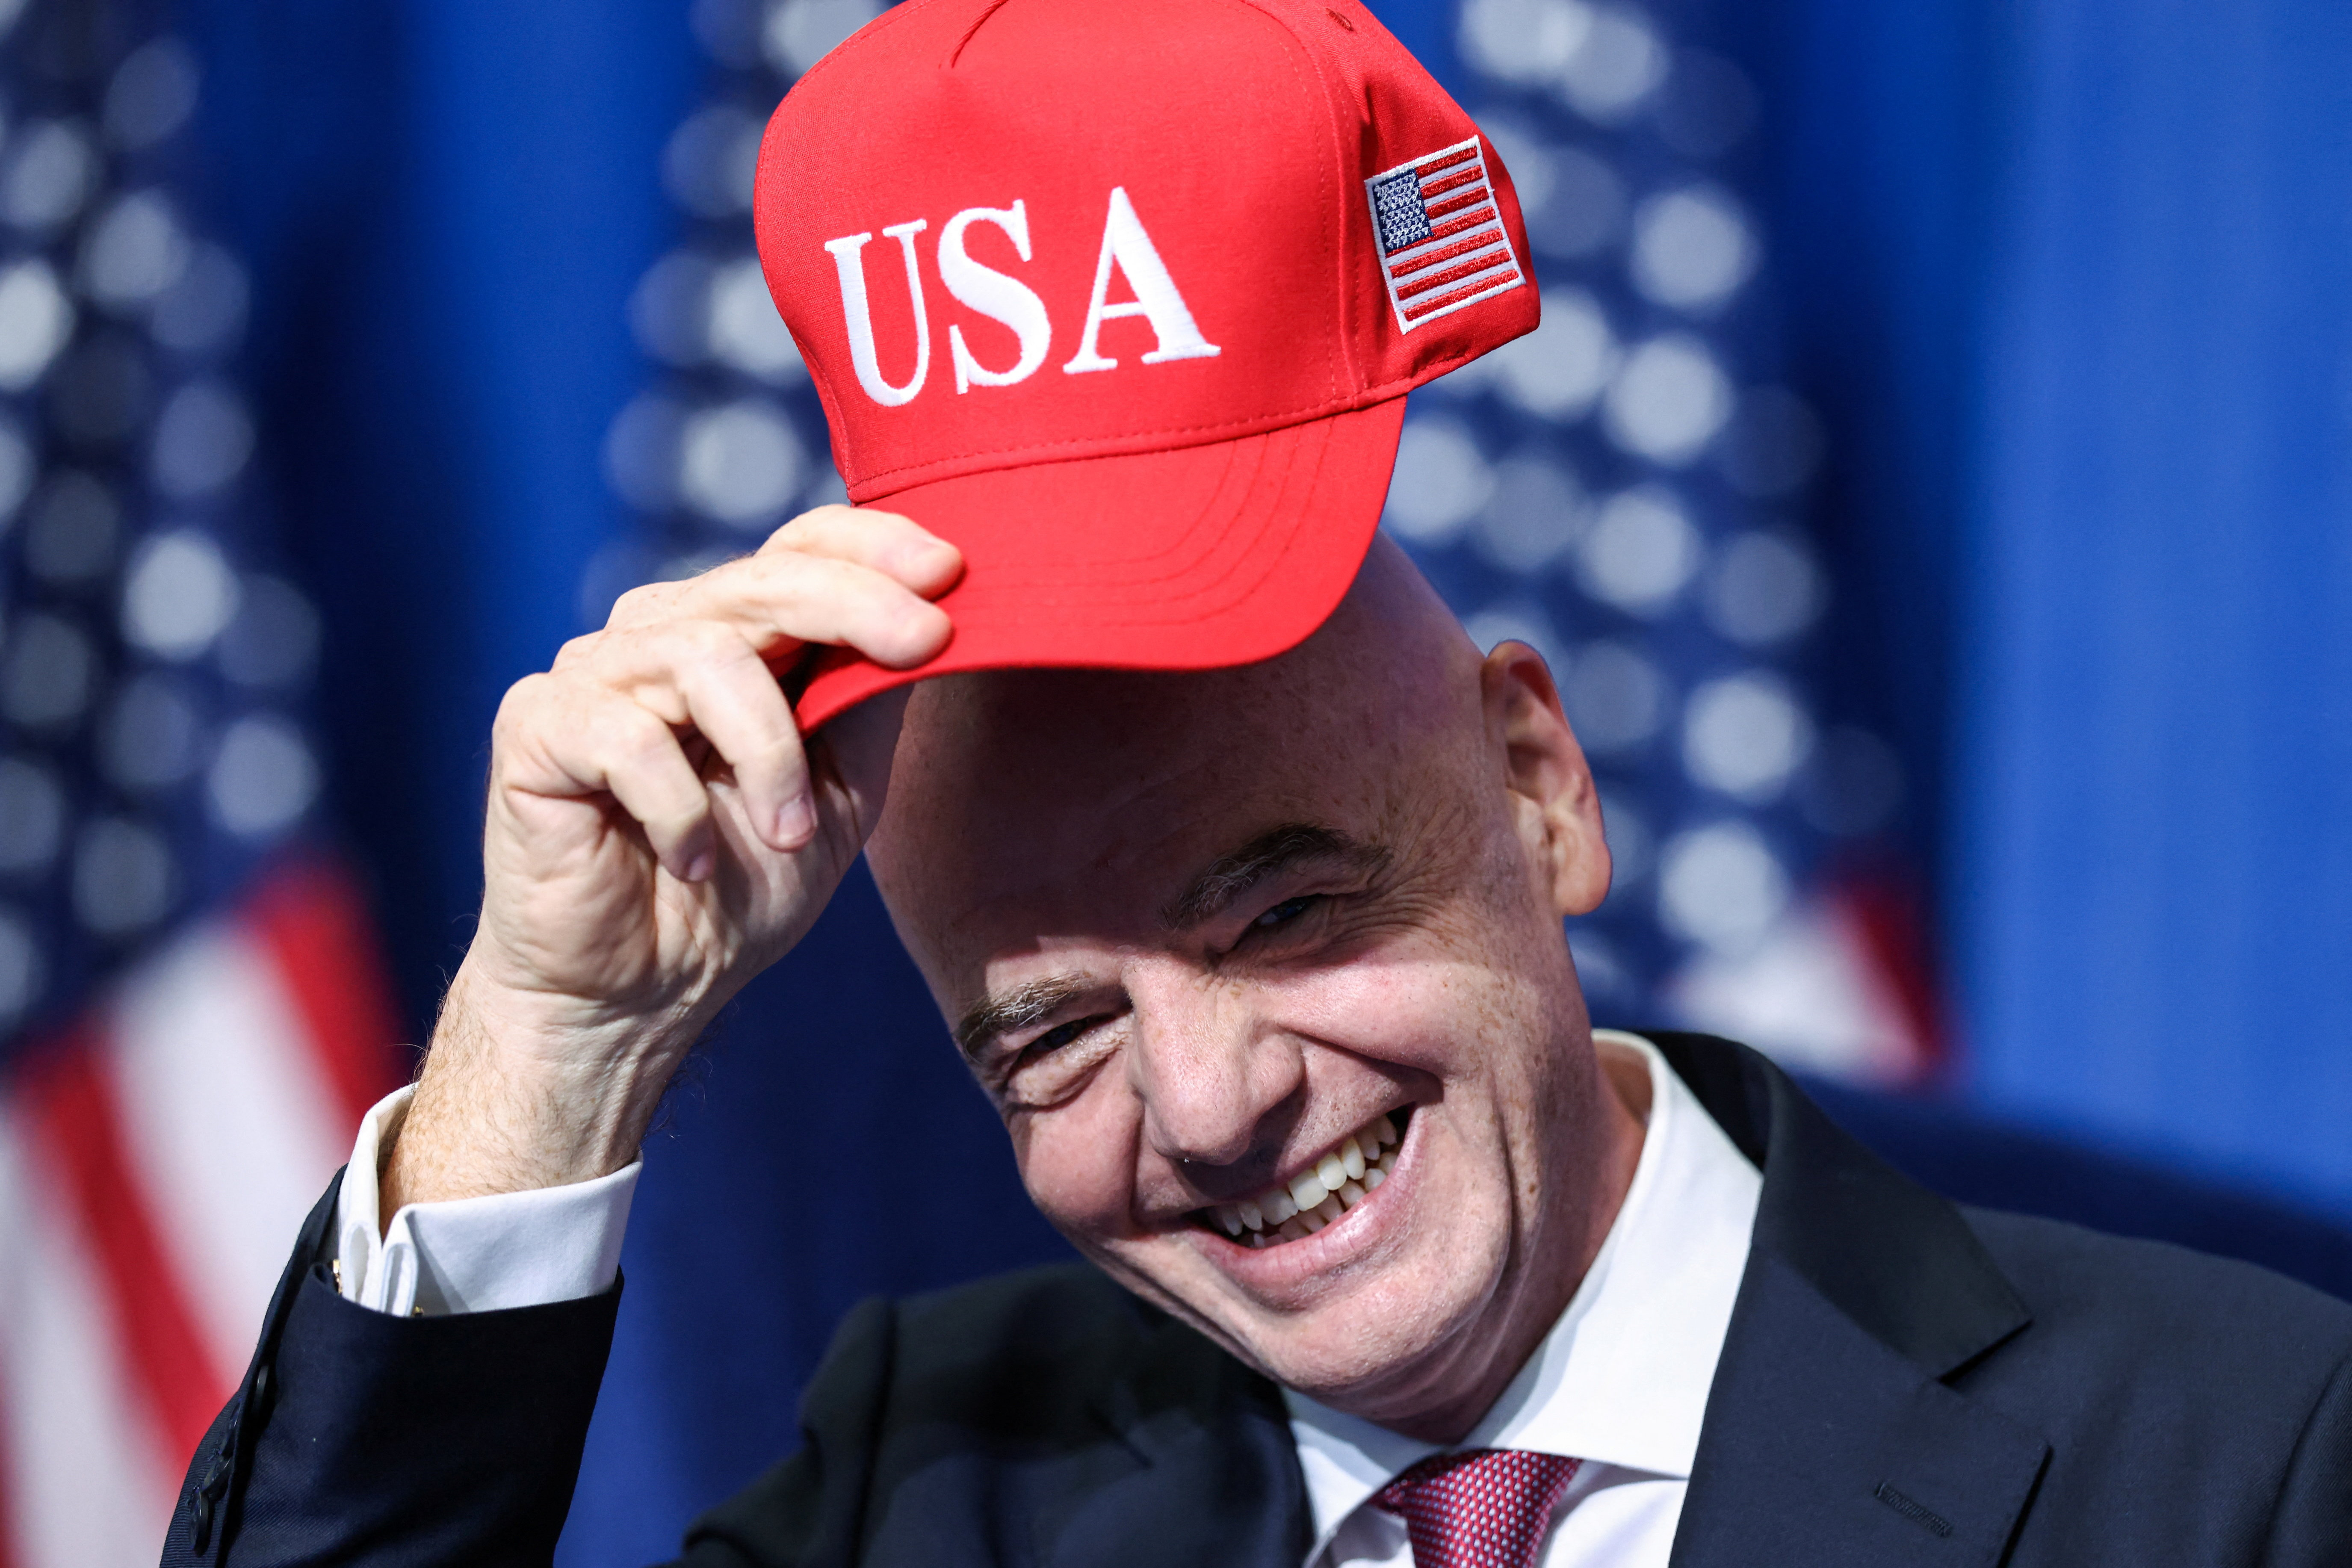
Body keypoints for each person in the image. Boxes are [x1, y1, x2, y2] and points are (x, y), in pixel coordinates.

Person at [165, 1, 2352, 1564]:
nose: (1206, 1108)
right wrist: (543, 1060)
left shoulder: (2246, 1459)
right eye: (1048, 1034)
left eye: (1283, 907)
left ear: (1540, 779)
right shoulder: (924, 1489)